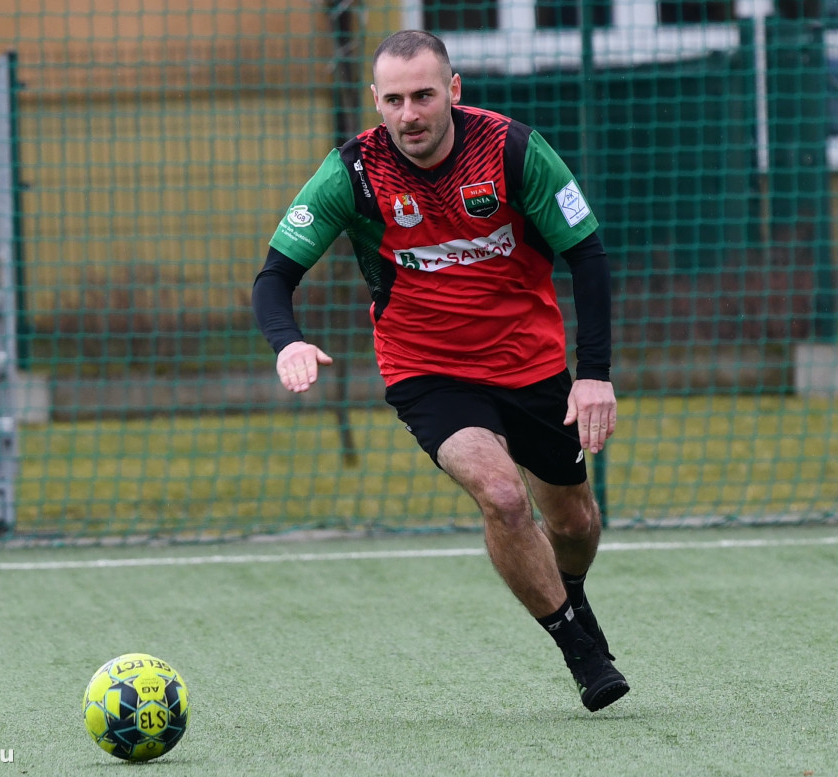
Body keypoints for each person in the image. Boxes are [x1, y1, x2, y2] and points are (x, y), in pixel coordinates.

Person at [252, 29, 628, 712]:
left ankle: (567, 595)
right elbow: (274, 277)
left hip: (531, 362)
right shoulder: (352, 172)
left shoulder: (513, 150)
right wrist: (288, 342)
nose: (410, 114)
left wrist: (593, 372)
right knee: (504, 497)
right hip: (426, 369)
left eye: (424, 94)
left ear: (453, 90)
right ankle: (581, 650)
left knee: (574, 524)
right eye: (393, 100)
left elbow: (589, 254)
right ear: (376, 102)